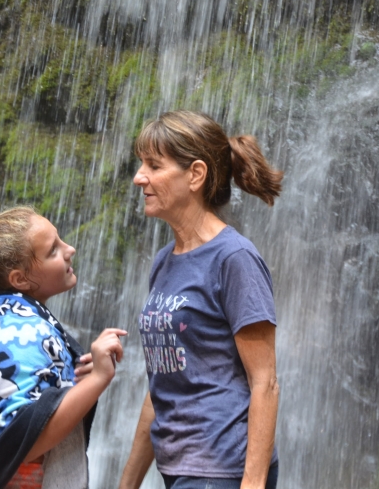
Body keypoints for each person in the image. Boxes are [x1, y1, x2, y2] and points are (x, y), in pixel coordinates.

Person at [119, 111, 283, 489]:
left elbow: (265, 382)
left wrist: (252, 484)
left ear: (195, 174)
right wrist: (127, 483)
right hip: (178, 466)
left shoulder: (234, 259)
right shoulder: (164, 261)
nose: (139, 177)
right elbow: (163, 382)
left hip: (222, 468)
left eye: (153, 165)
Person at [0, 206, 126, 489]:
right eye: (53, 250)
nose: (70, 249)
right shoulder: (22, 333)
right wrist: (99, 379)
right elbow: (22, 440)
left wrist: (77, 386)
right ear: (20, 279)